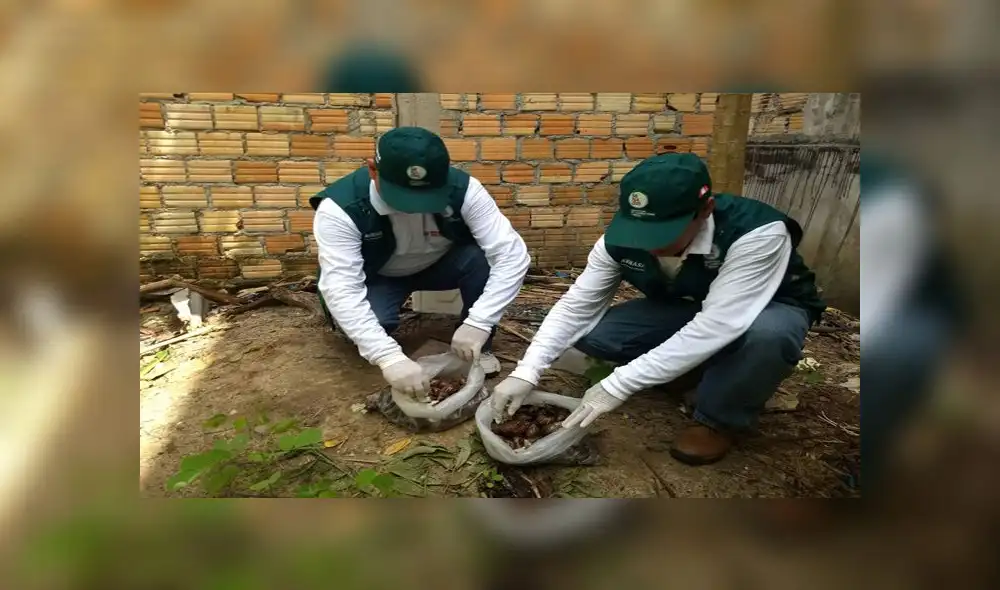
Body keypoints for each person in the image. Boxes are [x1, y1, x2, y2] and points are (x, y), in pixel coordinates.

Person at [491, 153, 826, 465]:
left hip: (765, 309)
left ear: (705, 209)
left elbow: (719, 324)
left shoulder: (756, 233)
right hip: (686, 306)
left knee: (768, 336)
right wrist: (527, 370)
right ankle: (694, 372)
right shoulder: (616, 240)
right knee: (599, 335)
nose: (648, 244)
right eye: (640, 230)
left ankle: (718, 419)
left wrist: (619, 384)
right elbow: (576, 306)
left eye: (664, 232)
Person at [310, 127, 530, 398]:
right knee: (373, 326)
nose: (413, 208)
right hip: (380, 274)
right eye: (402, 196)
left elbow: (511, 255)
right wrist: (388, 356)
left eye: (426, 198)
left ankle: (478, 347)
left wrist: (480, 321)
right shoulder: (340, 208)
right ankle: (378, 338)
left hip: (438, 266)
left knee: (483, 258)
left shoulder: (465, 189)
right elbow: (341, 287)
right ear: (372, 170)